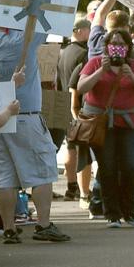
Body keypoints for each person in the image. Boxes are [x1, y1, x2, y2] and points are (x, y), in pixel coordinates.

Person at [0, 24, 72, 244]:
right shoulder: (23, 38)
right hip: (25, 111)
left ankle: (9, 228)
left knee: (4, 176)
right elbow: (50, 19)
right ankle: (44, 224)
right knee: (42, 169)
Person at [75, 28, 134, 227]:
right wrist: (100, 71)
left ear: (128, 47)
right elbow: (81, 87)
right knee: (107, 168)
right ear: (106, 46)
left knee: (130, 167)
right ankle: (112, 214)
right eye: (113, 44)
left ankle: (129, 211)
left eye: (121, 44)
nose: (117, 48)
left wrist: (133, 77)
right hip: (104, 126)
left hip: (129, 124)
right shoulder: (95, 62)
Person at [54, 18, 92, 201]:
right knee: (81, 149)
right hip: (78, 105)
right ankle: (82, 189)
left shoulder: (62, 52)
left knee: (70, 146)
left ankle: (71, 187)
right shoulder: (84, 53)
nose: (90, 33)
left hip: (62, 101)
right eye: (88, 30)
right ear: (80, 31)